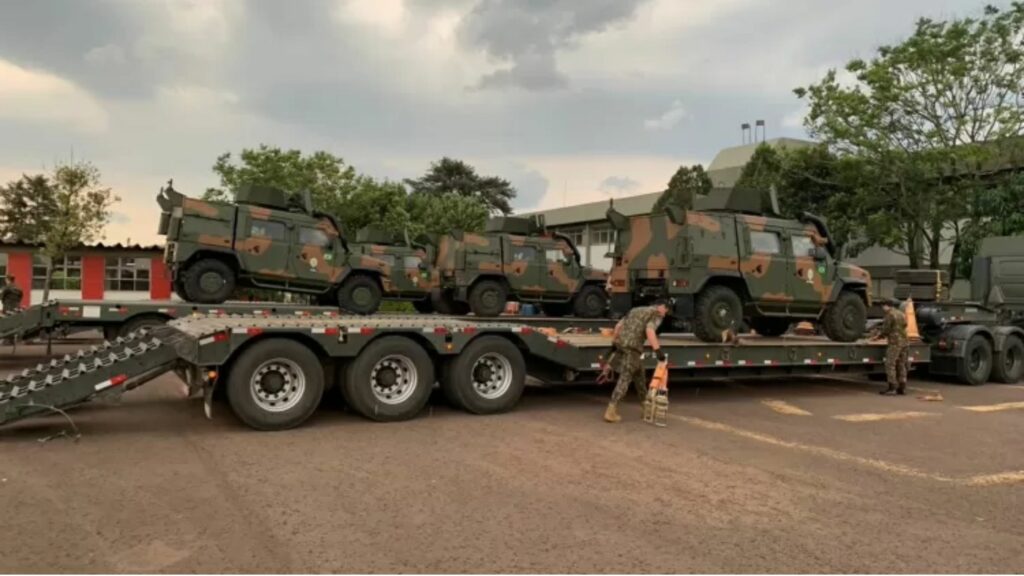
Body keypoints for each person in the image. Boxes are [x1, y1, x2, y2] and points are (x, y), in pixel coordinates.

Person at [604, 298, 670, 423]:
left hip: (621, 345)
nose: (665, 314)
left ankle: (645, 406)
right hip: (632, 349)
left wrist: (614, 344)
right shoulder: (654, 314)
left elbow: (618, 326)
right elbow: (650, 331)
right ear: (661, 306)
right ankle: (611, 410)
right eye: (665, 310)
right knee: (625, 378)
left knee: (640, 374)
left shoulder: (635, 310)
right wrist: (658, 352)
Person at [875, 298, 909, 395]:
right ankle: (902, 387)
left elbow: (886, 329)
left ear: (887, 305)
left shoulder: (889, 315)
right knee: (901, 364)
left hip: (895, 342)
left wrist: (878, 336)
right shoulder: (901, 313)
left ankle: (892, 387)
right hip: (905, 341)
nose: (882, 308)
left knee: (890, 364)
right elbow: (905, 325)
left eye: (883, 306)